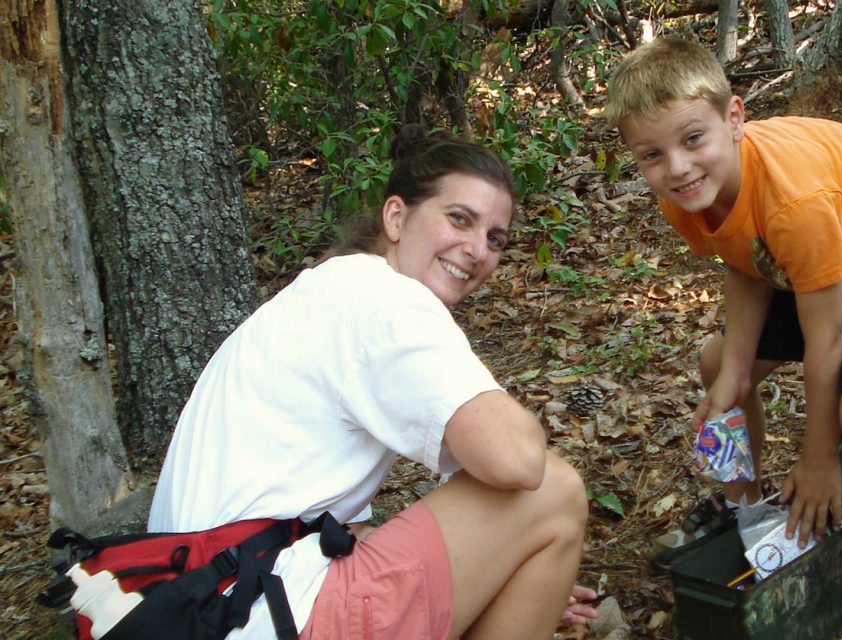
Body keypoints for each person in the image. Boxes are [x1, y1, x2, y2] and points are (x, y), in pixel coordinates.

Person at [147, 126, 598, 639]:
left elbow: (348, 533)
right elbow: (517, 460)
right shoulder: (383, 299)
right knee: (553, 492)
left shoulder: (327, 289)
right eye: (459, 219)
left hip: (202, 607)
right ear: (396, 217)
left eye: (495, 239)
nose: (477, 250)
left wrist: (494, 573)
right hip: (261, 611)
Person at [604, 38, 842, 640]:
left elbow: (825, 341)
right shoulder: (687, 194)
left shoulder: (794, 202)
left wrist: (819, 456)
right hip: (821, 260)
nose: (676, 167)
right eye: (652, 154)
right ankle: (744, 509)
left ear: (734, 118)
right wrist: (733, 373)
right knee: (718, 362)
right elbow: (746, 261)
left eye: (692, 139)